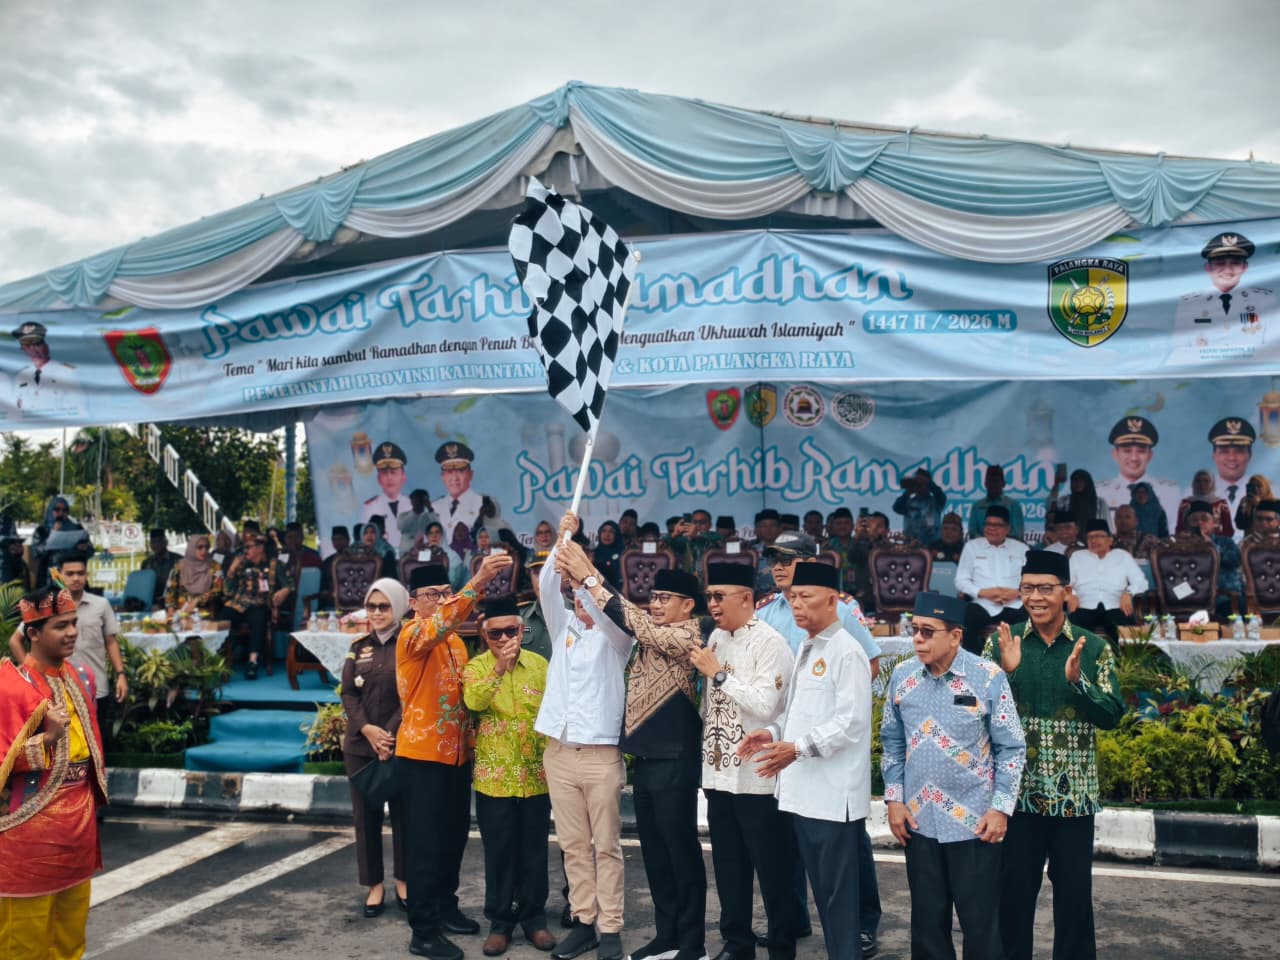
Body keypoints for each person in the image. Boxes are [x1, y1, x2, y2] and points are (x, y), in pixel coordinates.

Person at [559, 531, 707, 960]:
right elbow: (622, 615)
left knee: (681, 854)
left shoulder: (686, 637)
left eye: (666, 598)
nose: (656, 604)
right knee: (656, 855)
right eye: (654, 596)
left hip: (676, 761)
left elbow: (630, 619)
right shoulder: (653, 629)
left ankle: (692, 943)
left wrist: (591, 578)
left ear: (687, 606)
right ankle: (667, 935)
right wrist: (580, 573)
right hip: (646, 759)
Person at [984, 551, 1124, 960]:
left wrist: (1079, 683)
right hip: (1017, 795)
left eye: (1046, 589)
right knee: (1012, 899)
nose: (1036, 597)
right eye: (1028, 589)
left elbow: (1113, 715)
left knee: (1075, 901)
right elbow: (977, 716)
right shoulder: (1001, 642)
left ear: (1067, 592)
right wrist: (1004, 674)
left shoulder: (1093, 647)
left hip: (1074, 798)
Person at [752, 530, 880, 953]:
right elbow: (793, 708)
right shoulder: (808, 645)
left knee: (839, 901)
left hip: (830, 793)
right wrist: (772, 734)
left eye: (806, 597)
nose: (797, 605)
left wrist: (797, 747)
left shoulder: (845, 649)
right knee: (820, 894)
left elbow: (852, 722)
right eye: (794, 599)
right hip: (801, 789)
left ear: (831, 601)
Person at [881, 591, 1026, 960]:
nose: (917, 639)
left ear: (956, 636)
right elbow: (892, 743)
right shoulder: (902, 677)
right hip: (919, 821)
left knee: (980, 927)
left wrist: (1000, 809)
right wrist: (894, 800)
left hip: (974, 824)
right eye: (914, 630)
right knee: (927, 927)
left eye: (928, 632)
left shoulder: (987, 678)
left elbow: (1011, 748)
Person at [397, 553, 513, 960]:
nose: (444, 600)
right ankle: (423, 931)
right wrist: (477, 580)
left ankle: (445, 907)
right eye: (434, 594)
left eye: (447, 593)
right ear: (415, 601)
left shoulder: (455, 645)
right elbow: (442, 621)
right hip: (421, 758)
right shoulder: (413, 635)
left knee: (453, 839)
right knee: (425, 846)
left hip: (456, 758)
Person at [693, 563, 804, 960]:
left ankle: (781, 948)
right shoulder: (717, 637)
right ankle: (737, 944)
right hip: (719, 772)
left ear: (746, 598)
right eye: (709, 597)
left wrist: (718, 675)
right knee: (728, 865)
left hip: (758, 777)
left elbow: (764, 703)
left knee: (772, 870)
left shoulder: (771, 643)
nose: (712, 604)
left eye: (719, 596)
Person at [534, 531, 633, 960]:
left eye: (585, 592)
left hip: (599, 756)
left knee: (607, 846)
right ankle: (584, 921)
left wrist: (586, 572)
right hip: (559, 753)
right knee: (572, 846)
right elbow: (544, 585)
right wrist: (563, 539)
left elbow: (608, 608)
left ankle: (610, 927)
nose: (579, 599)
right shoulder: (564, 630)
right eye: (574, 592)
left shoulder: (617, 637)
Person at [0, 586, 108, 959]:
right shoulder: (8, 688)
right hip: (27, 838)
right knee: (23, 946)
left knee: (69, 943)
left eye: (74, 623)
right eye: (61, 626)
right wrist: (47, 739)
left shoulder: (80, 678)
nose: (72, 632)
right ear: (32, 633)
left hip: (77, 831)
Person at [462, 596, 557, 956]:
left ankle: (534, 920)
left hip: (536, 775)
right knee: (499, 852)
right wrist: (499, 668)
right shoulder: (476, 668)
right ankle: (500, 922)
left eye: (511, 631)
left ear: (522, 629)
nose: (504, 639)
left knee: (533, 850)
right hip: (494, 779)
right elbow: (473, 702)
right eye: (495, 633)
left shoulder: (540, 666)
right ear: (485, 635)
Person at [341, 577, 411, 918]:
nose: (377, 613)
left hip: (399, 745)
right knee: (365, 818)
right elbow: (348, 694)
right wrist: (368, 730)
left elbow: (410, 694)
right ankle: (374, 886)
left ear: (397, 607)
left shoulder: (409, 644)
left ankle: (403, 881)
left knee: (404, 816)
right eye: (372, 606)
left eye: (384, 606)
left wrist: (388, 735)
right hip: (360, 747)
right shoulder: (358, 646)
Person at [1173, 231, 1276, 363]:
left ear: (1244, 267)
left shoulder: (1266, 301)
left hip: (1252, 379)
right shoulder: (1189, 304)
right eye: (1220, 263)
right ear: (1208, 268)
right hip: (1203, 379)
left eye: (1235, 263)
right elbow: (1179, 352)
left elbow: (1274, 349)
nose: (1228, 270)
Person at [223, 534, 293, 679]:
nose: (244, 551)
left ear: (260, 548)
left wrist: (284, 591)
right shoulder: (240, 565)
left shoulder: (275, 564)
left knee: (258, 618)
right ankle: (221, 659)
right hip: (238, 604)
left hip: (260, 604)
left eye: (248, 547)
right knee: (222, 619)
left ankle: (252, 662)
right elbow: (227, 591)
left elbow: (289, 584)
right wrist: (231, 570)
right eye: (243, 548)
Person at [1096, 416, 1180, 532]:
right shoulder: (1101, 492)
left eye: (1141, 451)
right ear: (1115, 454)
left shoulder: (1169, 491)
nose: (1134, 458)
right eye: (1127, 451)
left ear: (1150, 455)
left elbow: (1171, 531)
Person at [1067, 521, 1148, 642]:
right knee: (1075, 635)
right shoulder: (1078, 557)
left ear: (1110, 540)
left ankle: (1121, 661)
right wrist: (1072, 595)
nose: (1094, 540)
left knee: (1125, 638)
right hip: (1083, 606)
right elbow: (1066, 582)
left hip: (1115, 606)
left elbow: (1141, 582)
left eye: (1099, 536)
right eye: (1090, 537)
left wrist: (1128, 593)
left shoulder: (1122, 556)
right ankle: (1082, 661)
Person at [955, 505, 1030, 625]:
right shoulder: (972, 547)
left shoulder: (1021, 549)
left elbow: (1032, 580)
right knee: (965, 619)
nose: (991, 528)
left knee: (1032, 619)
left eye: (997, 525)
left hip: (1015, 604)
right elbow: (961, 580)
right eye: (988, 524)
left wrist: (1018, 593)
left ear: (1008, 529)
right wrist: (982, 592)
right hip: (982, 604)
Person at [8, 321, 84, 420]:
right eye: (27, 345)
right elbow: (15, 412)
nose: (33, 349)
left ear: (46, 346)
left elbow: (80, 411)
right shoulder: (21, 376)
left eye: (36, 344)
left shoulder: (67, 372)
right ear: (23, 349)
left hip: (57, 430)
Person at [1182, 501, 1243, 615]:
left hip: (1224, 596)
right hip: (1191, 596)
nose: (1199, 522)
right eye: (1194, 520)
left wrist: (1212, 546)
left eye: (1204, 519)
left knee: (1237, 604)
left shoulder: (1225, 542)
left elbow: (1235, 561)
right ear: (1187, 524)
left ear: (1214, 523)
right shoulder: (1179, 546)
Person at [432, 442, 484, 557]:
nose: (454, 478)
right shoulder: (434, 507)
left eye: (460, 471)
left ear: (471, 474)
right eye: (449, 472)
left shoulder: (482, 504)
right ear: (443, 477)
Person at [1205, 416, 1255, 517]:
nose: (1232, 457)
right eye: (1224, 451)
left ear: (1249, 455)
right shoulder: (1196, 493)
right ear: (1214, 455)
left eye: (1239, 451)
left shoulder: (1270, 492)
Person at [164, 534, 224, 616]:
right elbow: (170, 589)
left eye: (207, 547)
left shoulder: (215, 567)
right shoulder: (180, 566)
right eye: (200, 547)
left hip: (206, 614)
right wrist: (170, 609)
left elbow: (218, 589)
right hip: (181, 613)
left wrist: (199, 599)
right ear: (192, 548)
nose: (204, 550)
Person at [847, 511, 891, 615]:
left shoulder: (890, 548)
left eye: (879, 526)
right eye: (872, 526)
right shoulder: (861, 546)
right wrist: (857, 536)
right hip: (865, 595)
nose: (874, 529)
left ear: (887, 530)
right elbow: (851, 558)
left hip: (888, 594)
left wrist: (873, 540)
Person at [968, 464, 1026, 540]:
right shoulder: (977, 506)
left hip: (1008, 549)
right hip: (981, 549)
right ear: (985, 484)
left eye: (996, 481)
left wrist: (997, 542)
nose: (993, 485)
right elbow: (972, 532)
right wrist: (986, 543)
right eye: (990, 481)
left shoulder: (1013, 505)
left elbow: (1018, 533)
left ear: (1003, 484)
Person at [362, 441, 412, 526]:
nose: (389, 477)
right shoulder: (370, 507)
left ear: (403, 477)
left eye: (393, 472)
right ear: (378, 479)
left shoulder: (412, 504)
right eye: (384, 472)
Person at [893, 467, 947, 545]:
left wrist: (927, 482)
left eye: (921, 484)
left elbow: (940, 494)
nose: (919, 486)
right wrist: (908, 492)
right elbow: (896, 507)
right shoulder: (908, 502)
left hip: (933, 546)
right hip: (910, 546)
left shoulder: (936, 501)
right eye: (916, 484)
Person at [1047, 468, 1108, 535]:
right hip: (1070, 540)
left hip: (1093, 540)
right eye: (1074, 480)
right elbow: (1051, 508)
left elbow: (1107, 525)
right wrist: (1056, 484)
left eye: (1081, 480)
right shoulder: (1065, 500)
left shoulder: (1100, 502)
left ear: (1087, 482)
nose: (1077, 483)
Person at [1176, 470, 1234, 537]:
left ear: (1212, 483)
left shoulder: (1220, 503)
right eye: (1198, 481)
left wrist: (1222, 543)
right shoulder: (1186, 503)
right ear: (1194, 483)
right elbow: (1180, 527)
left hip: (1216, 542)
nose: (1202, 484)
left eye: (1206, 481)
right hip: (1191, 541)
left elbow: (1228, 528)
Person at [519, 551, 554, 660]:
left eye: (548, 572)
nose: (542, 579)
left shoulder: (577, 617)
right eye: (537, 573)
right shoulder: (520, 617)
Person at [140, 528, 181, 609]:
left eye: (159, 541)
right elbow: (143, 586)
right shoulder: (146, 563)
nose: (156, 545)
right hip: (152, 605)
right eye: (153, 542)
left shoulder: (177, 560)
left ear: (166, 542)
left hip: (174, 604)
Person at [398, 488, 440, 558]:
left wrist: (430, 508)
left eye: (421, 499)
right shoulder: (403, 515)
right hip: (406, 551)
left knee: (423, 568)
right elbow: (401, 526)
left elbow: (438, 527)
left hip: (425, 551)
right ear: (411, 501)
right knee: (406, 567)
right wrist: (415, 512)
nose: (418, 502)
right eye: (416, 499)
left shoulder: (430, 516)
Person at [1236, 474, 1275, 539]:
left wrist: (1259, 505)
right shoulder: (1247, 504)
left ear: (1266, 487)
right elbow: (1241, 525)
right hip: (1250, 544)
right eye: (1252, 486)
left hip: (1269, 543)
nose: (1256, 489)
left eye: (1259, 486)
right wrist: (1241, 506)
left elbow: (1272, 525)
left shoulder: (1274, 504)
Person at [593, 521, 624, 589]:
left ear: (616, 535)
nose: (607, 535)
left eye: (611, 531)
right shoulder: (594, 554)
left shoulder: (623, 553)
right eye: (604, 531)